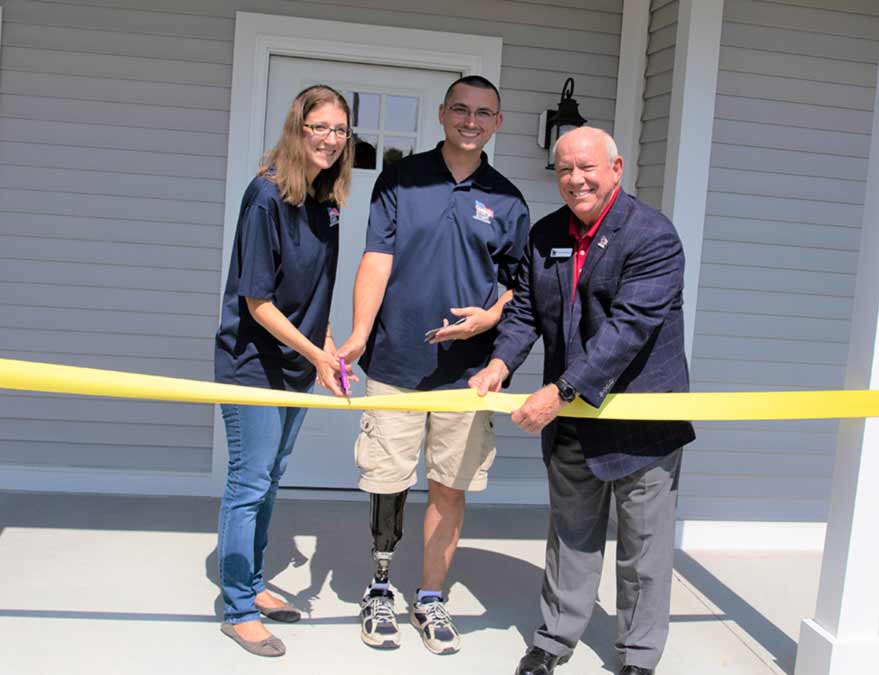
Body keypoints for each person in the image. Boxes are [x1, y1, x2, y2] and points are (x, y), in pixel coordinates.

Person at [469, 126, 696, 675]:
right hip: (571, 420)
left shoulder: (653, 236)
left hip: (640, 420)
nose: (575, 179)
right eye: (565, 169)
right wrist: (502, 362)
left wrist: (560, 389)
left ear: (616, 169)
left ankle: (638, 657)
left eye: (587, 167)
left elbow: (628, 329)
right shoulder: (547, 233)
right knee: (570, 535)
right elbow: (525, 309)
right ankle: (553, 640)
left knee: (643, 550)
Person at [337, 75, 530, 654]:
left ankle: (429, 598)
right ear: (444, 114)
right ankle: (379, 589)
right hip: (395, 359)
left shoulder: (510, 200)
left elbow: (521, 289)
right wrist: (358, 334)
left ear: (498, 122)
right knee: (388, 481)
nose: (471, 121)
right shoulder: (401, 177)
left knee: (450, 487)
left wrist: (488, 319)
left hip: (467, 375)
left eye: (484, 113)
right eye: (461, 109)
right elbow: (377, 256)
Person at [213, 85, 355, 657]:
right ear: (298, 129)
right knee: (248, 485)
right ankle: (238, 607)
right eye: (319, 127)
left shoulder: (327, 204)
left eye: (340, 131)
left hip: (296, 364)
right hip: (252, 364)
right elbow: (259, 303)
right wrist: (317, 354)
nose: (330, 140)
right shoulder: (265, 196)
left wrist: (327, 349)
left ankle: (251, 585)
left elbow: (312, 297)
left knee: (270, 480)